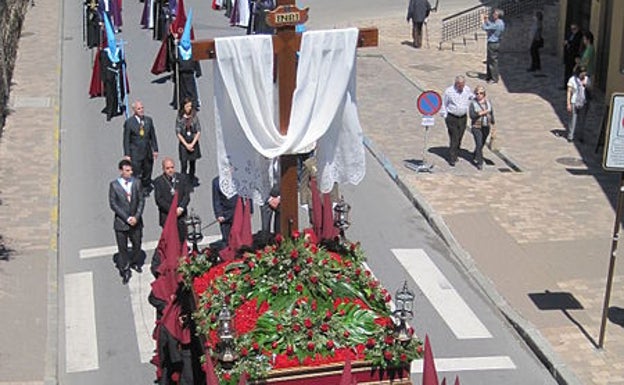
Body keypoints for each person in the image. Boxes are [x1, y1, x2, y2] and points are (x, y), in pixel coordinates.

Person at [109, 159, 146, 284]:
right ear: (121, 171)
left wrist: (136, 216)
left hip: (136, 221)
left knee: (137, 243)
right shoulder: (114, 185)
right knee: (122, 248)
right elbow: (113, 204)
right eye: (127, 170)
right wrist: (127, 218)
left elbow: (141, 200)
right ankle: (125, 269)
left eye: (131, 170)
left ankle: (135, 262)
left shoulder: (137, 183)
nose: (130, 173)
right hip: (122, 223)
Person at [123, 100, 159, 195]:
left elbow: (153, 136)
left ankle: (146, 187)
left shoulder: (148, 120)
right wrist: (127, 154)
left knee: (148, 169)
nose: (141, 110)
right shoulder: (129, 123)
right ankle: (137, 190)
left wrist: (155, 149)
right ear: (134, 110)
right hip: (135, 152)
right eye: (139, 108)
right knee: (136, 172)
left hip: (147, 151)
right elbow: (126, 139)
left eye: (142, 108)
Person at [153, 157, 191, 243]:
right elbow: (159, 200)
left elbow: (186, 195)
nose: (170, 170)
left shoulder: (182, 178)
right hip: (167, 216)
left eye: (172, 167)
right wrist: (173, 210)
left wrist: (181, 208)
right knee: (170, 241)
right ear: (163, 169)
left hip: (181, 215)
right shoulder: (158, 181)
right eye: (167, 168)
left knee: (182, 238)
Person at [440, 75, 473, 166]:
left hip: (463, 117)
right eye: (460, 85)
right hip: (452, 117)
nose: (461, 87)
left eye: (463, 85)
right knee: (454, 136)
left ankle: (455, 151)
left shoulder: (466, 89)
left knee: (460, 136)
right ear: (456, 84)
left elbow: (471, 97)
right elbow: (444, 103)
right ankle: (452, 157)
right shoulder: (449, 91)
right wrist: (445, 115)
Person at [175, 97, 201, 187]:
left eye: (190, 106)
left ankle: (191, 178)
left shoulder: (194, 116)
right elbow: (178, 132)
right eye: (187, 106)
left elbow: (198, 131)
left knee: (192, 163)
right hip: (184, 143)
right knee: (184, 163)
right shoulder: (180, 117)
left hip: (193, 141)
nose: (189, 108)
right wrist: (186, 145)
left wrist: (192, 143)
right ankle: (183, 180)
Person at [469, 85, 495, 170]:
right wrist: (481, 113)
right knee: (479, 143)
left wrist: (493, 124)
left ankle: (476, 154)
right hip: (476, 126)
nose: (479, 95)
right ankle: (480, 162)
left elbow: (491, 113)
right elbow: (472, 115)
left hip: (486, 126)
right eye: (477, 93)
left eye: (481, 93)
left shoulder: (488, 102)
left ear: (484, 94)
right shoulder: (473, 103)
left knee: (482, 143)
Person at [212, 176, 238, 244]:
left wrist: (250, 210)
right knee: (227, 239)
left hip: (238, 213)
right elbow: (216, 200)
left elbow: (247, 194)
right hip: (225, 215)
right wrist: (219, 214)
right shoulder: (217, 181)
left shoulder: (240, 179)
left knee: (239, 238)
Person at [566, 66, 590, 143]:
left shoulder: (587, 79)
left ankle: (581, 136)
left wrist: (586, 85)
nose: (583, 75)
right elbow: (569, 92)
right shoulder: (572, 80)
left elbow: (591, 89)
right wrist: (568, 103)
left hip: (584, 101)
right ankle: (570, 136)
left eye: (584, 73)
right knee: (573, 119)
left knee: (582, 120)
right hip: (574, 101)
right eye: (582, 73)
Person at [482, 9, 505, 84]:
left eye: (495, 14)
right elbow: (491, 25)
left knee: (492, 62)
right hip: (494, 43)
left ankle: (494, 78)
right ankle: (489, 76)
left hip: (493, 43)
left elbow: (485, 28)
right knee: (490, 60)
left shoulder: (498, 24)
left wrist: (483, 21)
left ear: (498, 16)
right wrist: (486, 20)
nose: (493, 15)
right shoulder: (499, 23)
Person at [562, 23, 582, 89]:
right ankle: (565, 85)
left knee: (571, 72)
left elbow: (576, 44)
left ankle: (570, 86)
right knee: (567, 71)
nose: (573, 30)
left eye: (574, 29)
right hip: (568, 55)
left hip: (573, 56)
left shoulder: (579, 35)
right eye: (572, 29)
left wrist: (568, 42)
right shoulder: (571, 34)